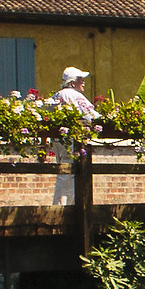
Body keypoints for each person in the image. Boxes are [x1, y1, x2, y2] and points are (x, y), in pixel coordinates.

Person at [48, 66, 100, 206]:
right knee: (69, 175)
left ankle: (62, 207)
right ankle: (64, 210)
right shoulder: (74, 95)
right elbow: (91, 115)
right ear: (72, 82)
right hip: (71, 139)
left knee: (63, 173)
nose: (83, 82)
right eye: (80, 79)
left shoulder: (56, 96)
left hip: (59, 141)